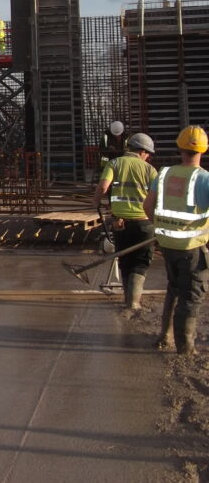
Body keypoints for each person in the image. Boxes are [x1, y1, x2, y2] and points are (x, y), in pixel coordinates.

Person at [144, 126, 209, 355]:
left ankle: (165, 335)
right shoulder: (204, 179)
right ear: (204, 149)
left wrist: (163, 230)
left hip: (167, 246)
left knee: (173, 289)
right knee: (191, 297)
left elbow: (147, 206)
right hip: (192, 248)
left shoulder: (164, 174)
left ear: (179, 147)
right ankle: (185, 348)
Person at [93, 132, 157, 311]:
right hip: (144, 223)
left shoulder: (114, 163)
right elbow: (156, 197)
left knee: (125, 259)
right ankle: (134, 302)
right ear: (142, 151)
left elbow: (103, 187)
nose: (149, 157)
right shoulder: (150, 170)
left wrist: (96, 201)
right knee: (141, 262)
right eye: (148, 153)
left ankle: (127, 300)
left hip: (119, 223)